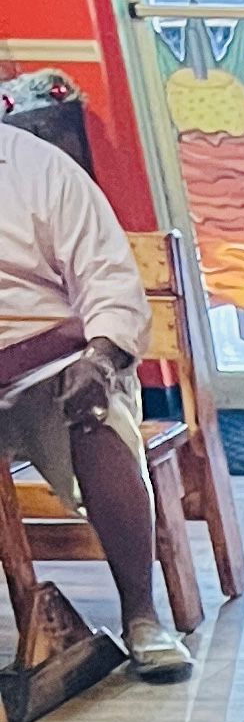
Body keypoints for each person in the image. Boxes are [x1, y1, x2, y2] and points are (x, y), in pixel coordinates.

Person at [0, 94, 186, 680]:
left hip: (45, 363)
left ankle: (142, 617)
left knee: (93, 411)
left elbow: (109, 284)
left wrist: (100, 359)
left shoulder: (40, 170)